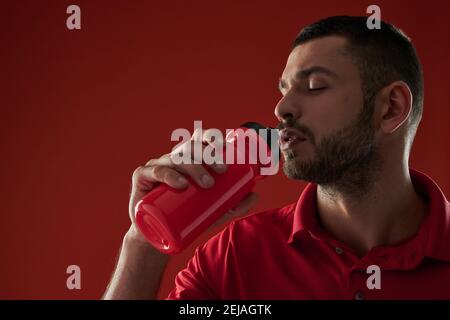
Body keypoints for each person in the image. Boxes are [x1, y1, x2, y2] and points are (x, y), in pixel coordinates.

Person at [103, 16, 450, 300]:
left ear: (391, 108)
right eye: (284, 89)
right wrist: (143, 243)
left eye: (314, 86)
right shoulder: (237, 255)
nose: (281, 108)